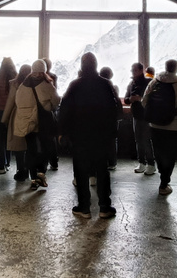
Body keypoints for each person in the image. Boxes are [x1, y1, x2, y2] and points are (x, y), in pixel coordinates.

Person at [59, 52, 121, 219]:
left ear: (81, 66)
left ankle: (84, 207)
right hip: (101, 136)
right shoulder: (106, 84)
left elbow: (64, 110)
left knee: (80, 170)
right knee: (102, 169)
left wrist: (63, 132)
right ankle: (105, 207)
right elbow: (116, 110)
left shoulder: (75, 85)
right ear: (96, 65)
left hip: (79, 136)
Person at [141, 59, 177, 196]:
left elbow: (144, 100)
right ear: (176, 69)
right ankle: (164, 183)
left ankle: (162, 173)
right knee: (170, 154)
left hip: (154, 125)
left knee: (158, 152)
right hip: (172, 126)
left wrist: (153, 115)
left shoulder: (155, 82)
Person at [13, 60, 60, 190]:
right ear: (43, 71)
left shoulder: (22, 86)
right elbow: (56, 100)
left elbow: (18, 103)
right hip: (43, 120)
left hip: (27, 121)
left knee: (31, 149)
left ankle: (33, 178)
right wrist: (49, 106)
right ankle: (41, 173)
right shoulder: (46, 84)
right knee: (45, 147)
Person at [125, 62, 155, 175]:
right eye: (132, 70)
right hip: (136, 115)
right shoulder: (131, 83)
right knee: (138, 140)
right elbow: (126, 98)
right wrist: (131, 99)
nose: (132, 72)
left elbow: (152, 98)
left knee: (146, 140)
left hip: (146, 116)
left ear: (140, 70)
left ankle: (151, 164)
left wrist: (140, 98)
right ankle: (141, 162)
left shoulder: (148, 82)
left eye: (134, 70)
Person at [3, 63, 32, 181]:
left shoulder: (15, 84)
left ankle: (21, 170)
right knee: (30, 146)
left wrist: (4, 118)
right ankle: (30, 170)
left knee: (18, 147)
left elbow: (10, 101)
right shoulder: (34, 83)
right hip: (31, 115)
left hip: (17, 115)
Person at [99, 66, 122, 171]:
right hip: (112, 117)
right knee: (112, 140)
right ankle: (112, 162)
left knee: (102, 140)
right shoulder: (114, 87)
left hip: (102, 117)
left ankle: (103, 160)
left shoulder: (98, 87)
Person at [42, 57, 60, 170]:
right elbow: (55, 92)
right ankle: (54, 160)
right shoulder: (53, 77)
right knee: (51, 137)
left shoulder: (37, 78)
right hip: (51, 109)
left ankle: (44, 161)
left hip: (41, 110)